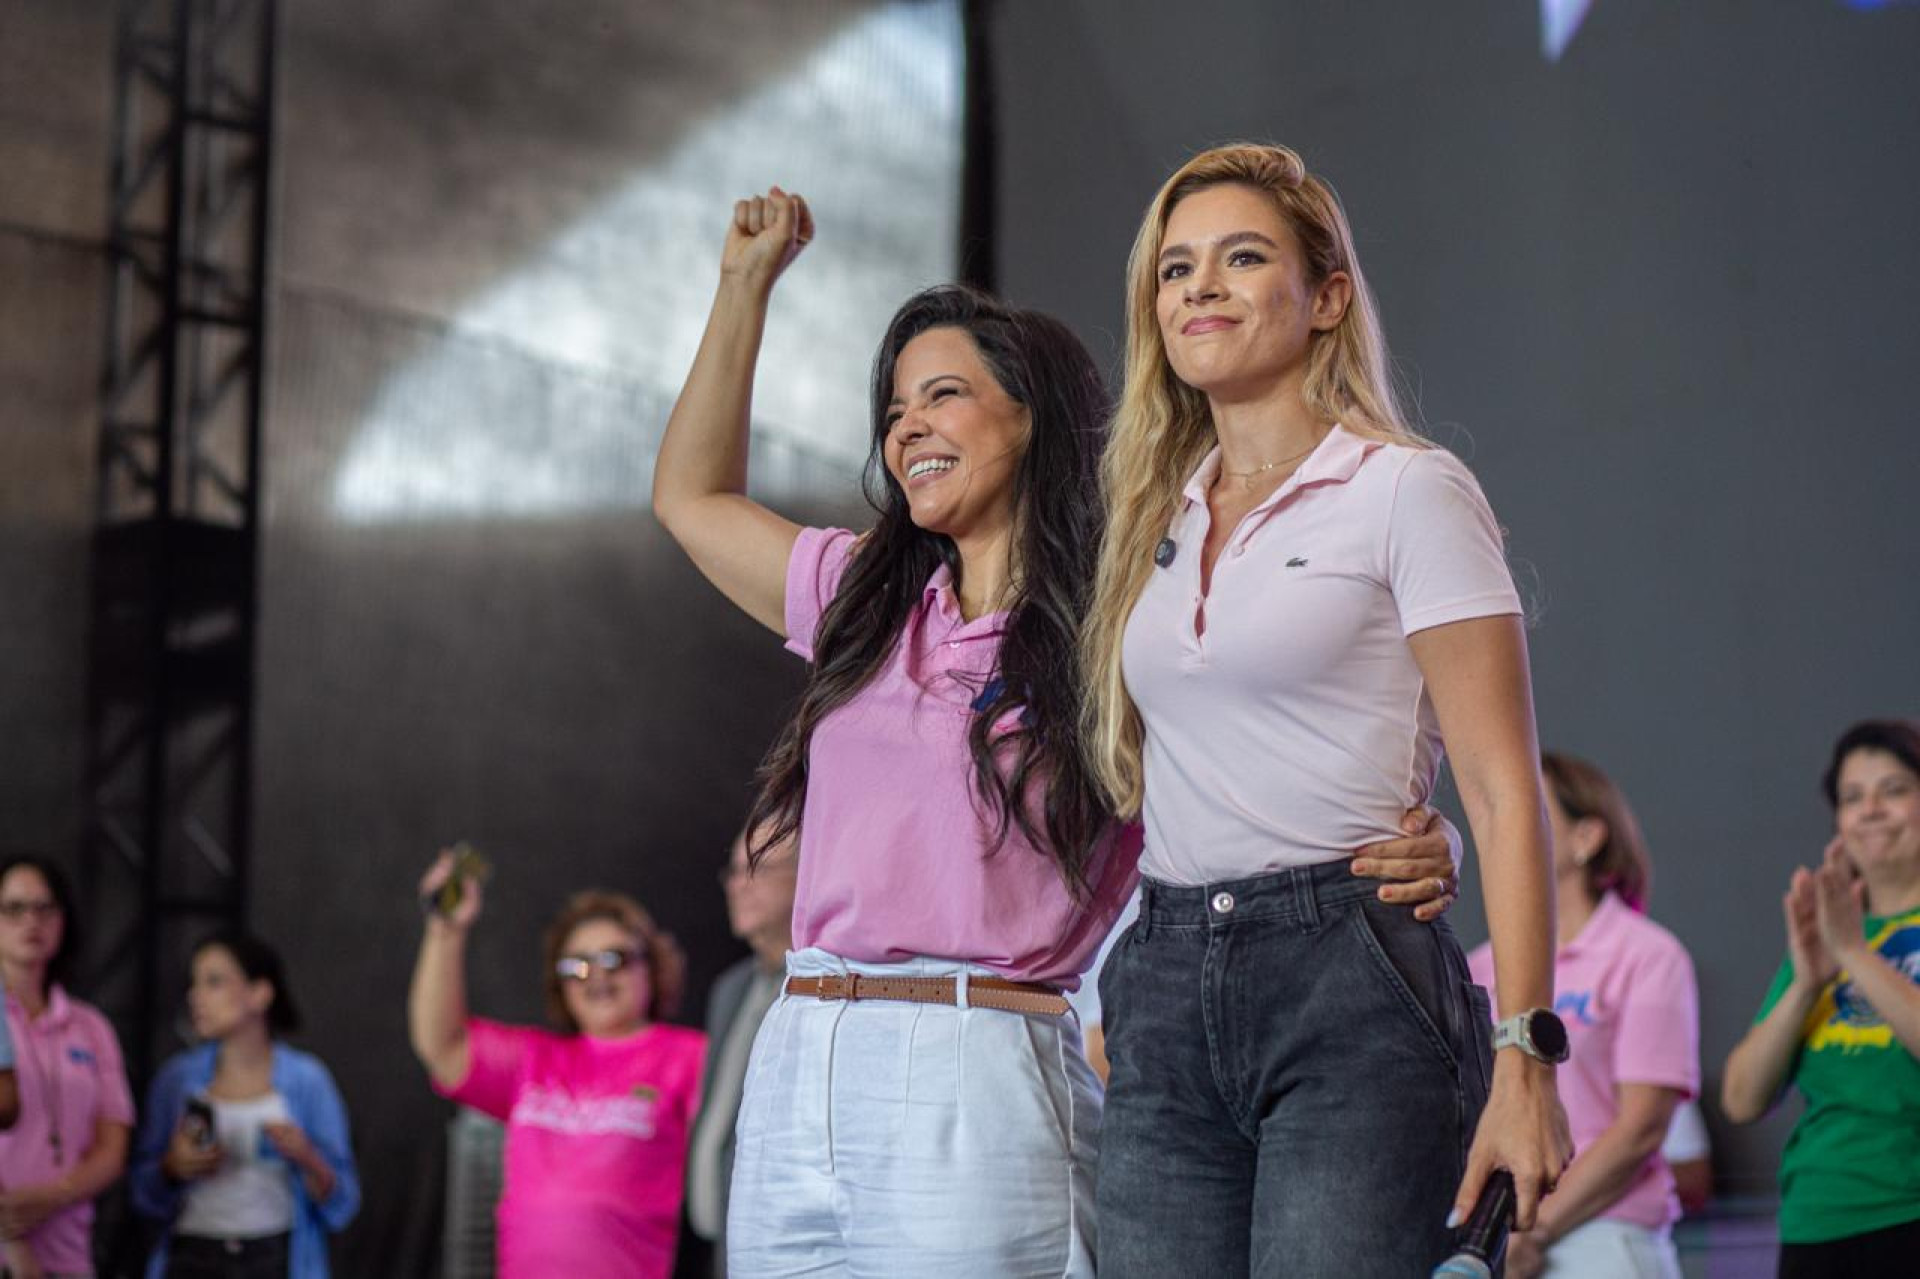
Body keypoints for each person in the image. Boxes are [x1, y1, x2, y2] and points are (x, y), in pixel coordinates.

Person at [651, 186, 1462, 1277]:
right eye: (894, 410)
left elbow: (1273, 736)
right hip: (803, 1054)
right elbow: (690, 498)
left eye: (944, 395)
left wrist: (1413, 838)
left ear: (1032, 416)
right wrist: (744, 287)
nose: (910, 428)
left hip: (977, 1062)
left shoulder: (1125, 626)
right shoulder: (860, 594)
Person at [1081, 142, 1574, 1276]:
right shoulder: (1151, 514)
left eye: (1242, 258)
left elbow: (1502, 795)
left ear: (1327, 298)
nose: (1198, 286)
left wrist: (1525, 1056)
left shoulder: (1407, 488)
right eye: (1175, 268)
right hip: (1163, 979)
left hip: (1349, 978)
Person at [408, 854, 705, 1279]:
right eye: (576, 966)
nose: (595, 977)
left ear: (652, 966)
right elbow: (441, 1044)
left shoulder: (691, 1057)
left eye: (613, 959)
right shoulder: (534, 1059)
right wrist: (445, 930)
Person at [1469, 751, 1699, 1278]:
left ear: (1587, 838)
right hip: (1493, 1243)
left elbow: (1641, 1129)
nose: (1512, 824)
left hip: (1602, 1236)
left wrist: (1538, 1228)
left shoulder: (1646, 955)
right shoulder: (1479, 966)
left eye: (1534, 810)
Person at [1722, 718, 1920, 1277]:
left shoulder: (1846, 939)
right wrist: (1808, 978)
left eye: (1895, 789)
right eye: (1853, 797)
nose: (1872, 810)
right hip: (1818, 1221)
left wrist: (1856, 955)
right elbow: (1741, 1098)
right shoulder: (1829, 935)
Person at [130, 931, 360, 1278]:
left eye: (214, 982)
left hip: (274, 1254)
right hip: (191, 1254)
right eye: (194, 984)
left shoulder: (307, 1080)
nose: (196, 996)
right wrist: (172, 1167)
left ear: (260, 993)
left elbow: (343, 1204)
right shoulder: (177, 1079)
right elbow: (143, 1193)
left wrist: (307, 1158)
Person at [0, 855, 134, 1279]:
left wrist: (55, 1196)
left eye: (44, 908)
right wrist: (12, 1238)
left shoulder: (90, 1026)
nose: (31, 921)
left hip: (69, 1247)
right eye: (14, 909)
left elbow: (113, 1146)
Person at [684, 826, 797, 1277]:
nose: (736, 884)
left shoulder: (830, 996)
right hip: (718, 1249)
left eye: (756, 868)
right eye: (732, 870)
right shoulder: (730, 990)